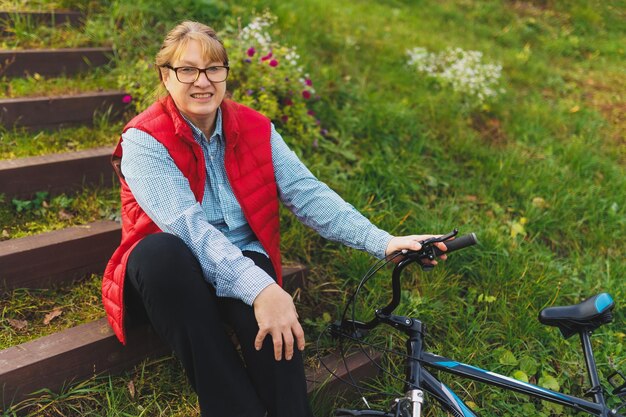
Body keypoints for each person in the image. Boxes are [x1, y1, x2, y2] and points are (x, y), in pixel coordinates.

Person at [102, 21, 446, 417]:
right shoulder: (144, 140)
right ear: (166, 75)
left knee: (276, 332)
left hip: (239, 256)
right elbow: (187, 228)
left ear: (226, 74)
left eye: (214, 69)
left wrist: (382, 241)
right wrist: (262, 289)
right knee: (161, 253)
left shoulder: (254, 127)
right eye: (188, 70)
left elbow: (307, 193)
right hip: (171, 276)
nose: (203, 81)